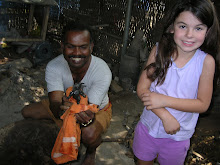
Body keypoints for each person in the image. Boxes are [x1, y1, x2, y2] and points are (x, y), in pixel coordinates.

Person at [132, 0, 220, 164]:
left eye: (198, 28)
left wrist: (164, 100)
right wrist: (164, 115)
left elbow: (202, 104)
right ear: (172, 27)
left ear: (208, 31)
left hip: (178, 137)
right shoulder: (158, 51)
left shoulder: (206, 62)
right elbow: (142, 88)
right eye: (183, 26)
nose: (189, 34)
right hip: (147, 128)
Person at [21, 21, 112, 165]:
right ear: (62, 46)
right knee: (27, 112)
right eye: (70, 47)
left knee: (88, 133)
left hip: (97, 110)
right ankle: (63, 128)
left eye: (83, 47)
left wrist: (84, 120)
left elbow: (88, 111)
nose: (76, 53)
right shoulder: (54, 67)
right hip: (67, 106)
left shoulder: (102, 71)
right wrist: (60, 109)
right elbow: (55, 103)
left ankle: (90, 152)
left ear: (91, 47)